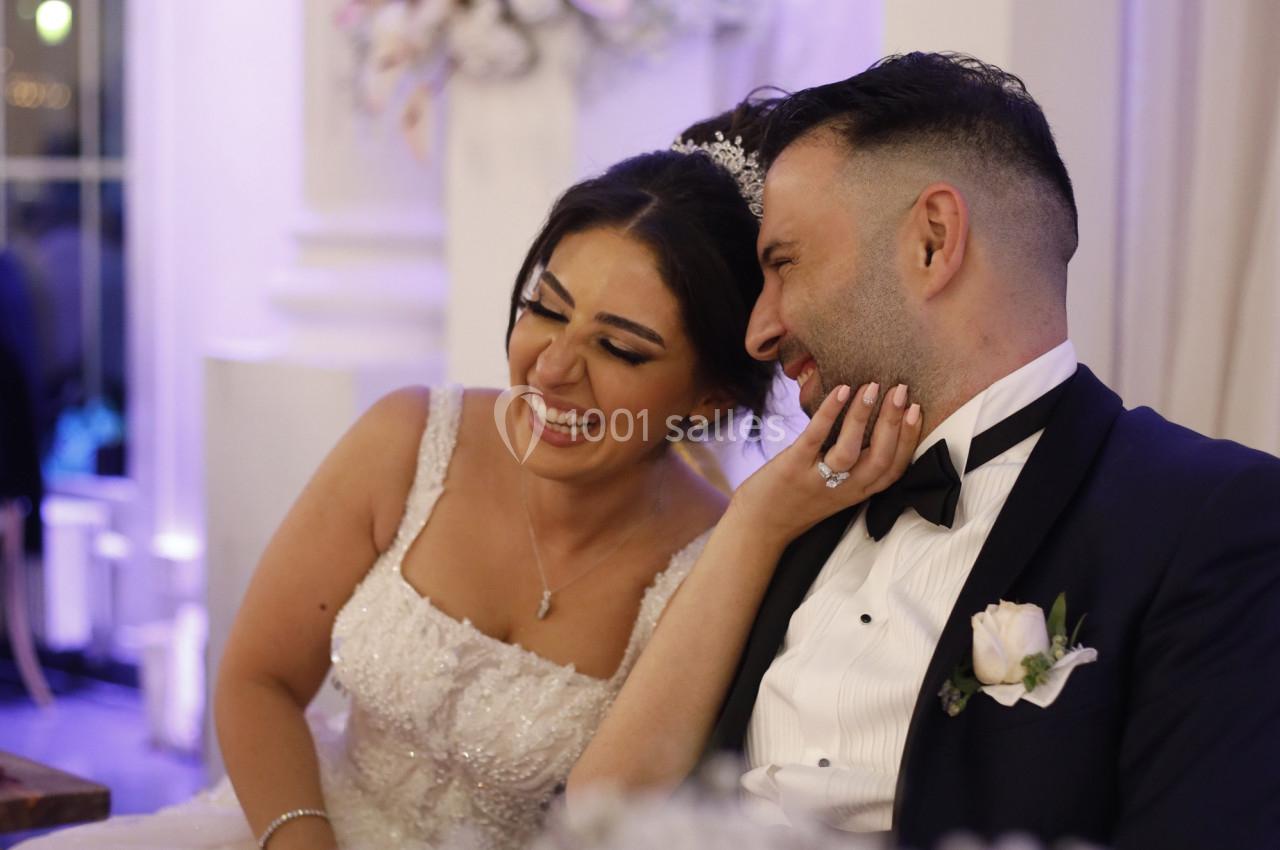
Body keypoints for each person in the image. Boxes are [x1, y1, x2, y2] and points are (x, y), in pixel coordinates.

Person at [14, 102, 918, 850]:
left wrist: (759, 526)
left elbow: (622, 813)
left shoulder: (717, 557)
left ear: (710, 395)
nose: (553, 369)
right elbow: (256, 681)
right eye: (543, 310)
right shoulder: (412, 436)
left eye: (618, 347)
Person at [569, 53, 1280, 850]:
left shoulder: (1213, 519)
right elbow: (609, 824)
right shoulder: (785, 518)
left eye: (783, 264)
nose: (758, 330)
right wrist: (758, 520)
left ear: (934, 243)